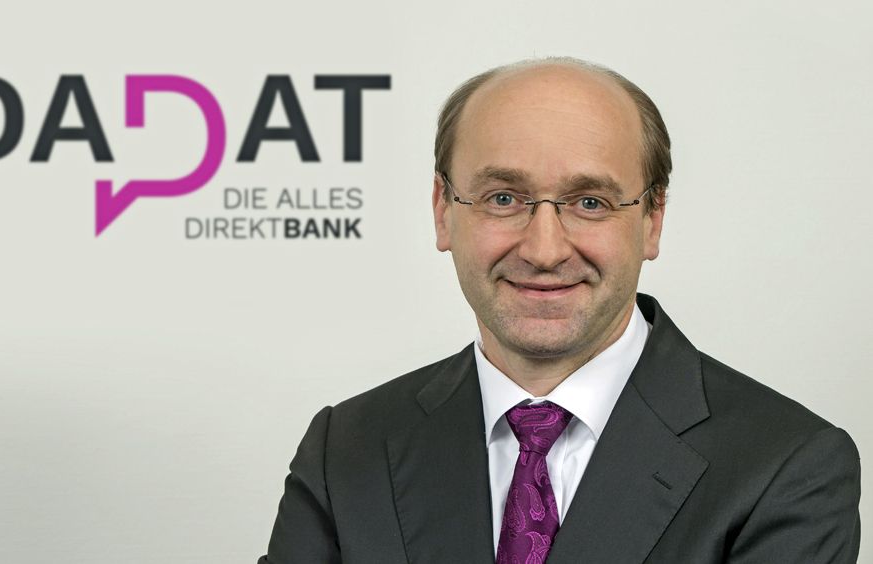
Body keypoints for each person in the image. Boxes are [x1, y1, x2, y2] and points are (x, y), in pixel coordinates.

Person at [259, 58, 861, 564]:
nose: (544, 250)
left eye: (590, 202)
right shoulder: (347, 449)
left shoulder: (787, 466)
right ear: (443, 210)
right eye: (503, 198)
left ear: (652, 219)